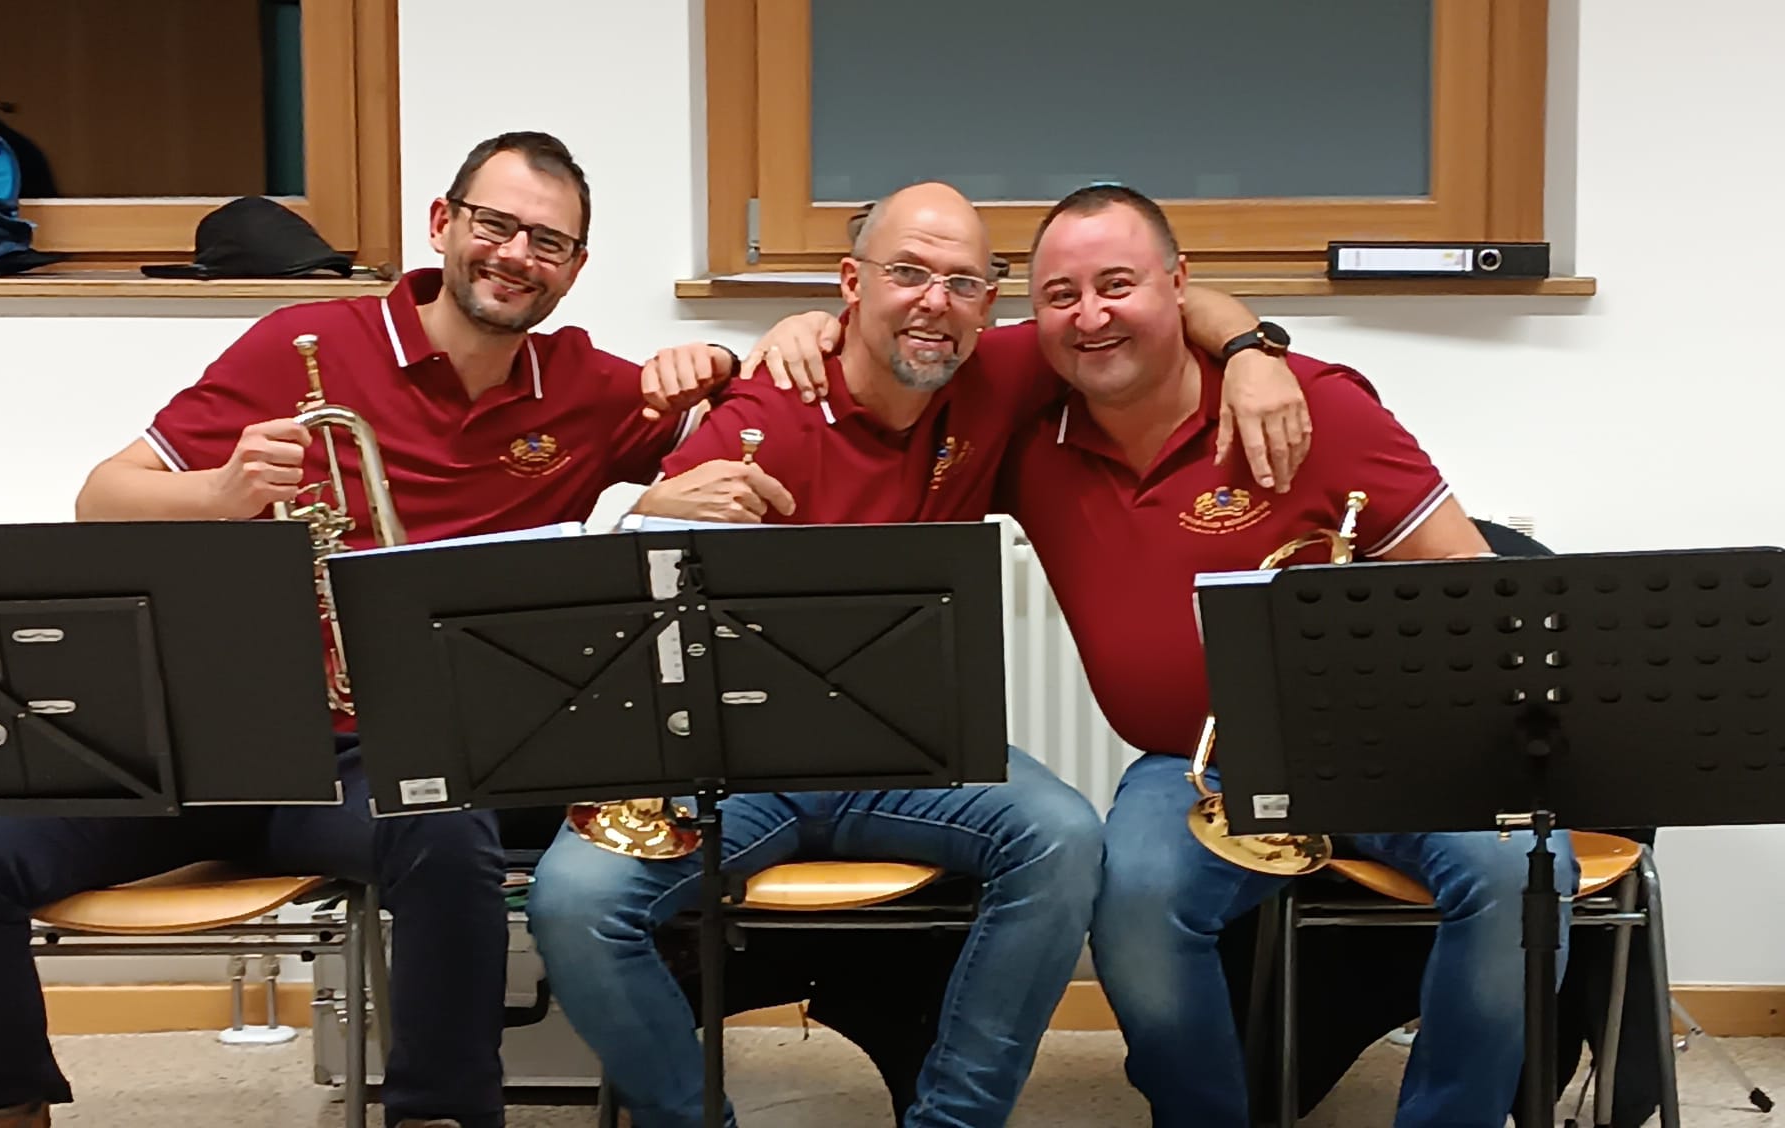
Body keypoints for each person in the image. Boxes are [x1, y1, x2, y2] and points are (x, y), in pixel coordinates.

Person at [0, 131, 731, 1128]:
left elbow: (744, 432)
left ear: (575, 267)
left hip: (373, 759)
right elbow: (101, 498)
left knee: (448, 834)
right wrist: (218, 493)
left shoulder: (588, 388)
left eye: (548, 242)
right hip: (208, 742)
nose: (517, 254)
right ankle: (4, 1112)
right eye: (495, 224)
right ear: (442, 224)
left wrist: (729, 357)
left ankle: (439, 1114)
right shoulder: (302, 345)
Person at [528, 181, 1308, 1128]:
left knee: (1062, 840)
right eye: (907, 274)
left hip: (910, 760)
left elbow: (1165, 298)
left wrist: (1254, 350)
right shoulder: (765, 408)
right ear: (851, 283)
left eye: (963, 282)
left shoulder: (997, 373)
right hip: (732, 774)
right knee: (573, 899)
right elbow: (625, 607)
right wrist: (643, 512)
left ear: (989, 302)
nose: (935, 303)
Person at [992, 184, 1582, 1128]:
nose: (1090, 316)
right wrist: (796, 334)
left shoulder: (1314, 406)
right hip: (1197, 766)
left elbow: (1475, 591)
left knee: (1519, 874)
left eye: (1118, 285)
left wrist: (1254, 353)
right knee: (1133, 904)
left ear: (1178, 285)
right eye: (1060, 295)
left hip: (1398, 753)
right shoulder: (1023, 434)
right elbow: (899, 373)